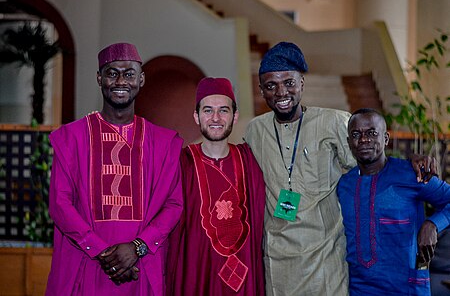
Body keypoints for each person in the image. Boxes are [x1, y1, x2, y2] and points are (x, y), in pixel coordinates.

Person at [243, 41, 437, 296]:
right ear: (261, 90)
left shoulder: (333, 123)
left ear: (302, 83)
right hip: (278, 263)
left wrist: (409, 162)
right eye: (271, 86)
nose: (281, 93)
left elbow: (374, 166)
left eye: (289, 82)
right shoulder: (255, 130)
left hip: (326, 262)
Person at [46, 42, 183, 295]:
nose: (121, 80)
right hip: (84, 263)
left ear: (141, 80)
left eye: (129, 74)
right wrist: (100, 251)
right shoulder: (71, 138)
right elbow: (59, 203)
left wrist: (138, 247)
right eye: (112, 73)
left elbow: (174, 205)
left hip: (141, 265)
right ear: (100, 79)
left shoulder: (163, 143)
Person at [166, 77, 266, 295]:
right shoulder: (182, 163)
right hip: (198, 276)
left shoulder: (249, 160)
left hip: (245, 277)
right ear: (196, 116)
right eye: (208, 110)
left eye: (224, 110)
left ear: (235, 116)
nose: (216, 118)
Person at [337, 108, 450, 295]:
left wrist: (432, 224)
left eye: (372, 133)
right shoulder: (344, 185)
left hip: (407, 287)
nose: (364, 139)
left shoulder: (412, 174)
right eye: (356, 134)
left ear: (386, 139)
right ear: (349, 142)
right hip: (358, 288)